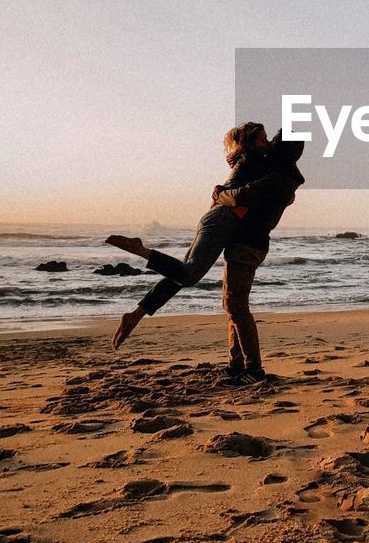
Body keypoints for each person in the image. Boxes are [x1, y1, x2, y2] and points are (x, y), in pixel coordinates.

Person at [107, 124, 304, 384]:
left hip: (239, 236)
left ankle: (247, 368)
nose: (268, 144)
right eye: (264, 139)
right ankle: (245, 368)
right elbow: (243, 193)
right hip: (233, 233)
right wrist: (222, 194)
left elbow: (241, 194)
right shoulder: (262, 166)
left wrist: (221, 193)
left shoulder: (272, 172)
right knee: (220, 296)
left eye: (271, 140)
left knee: (219, 295)